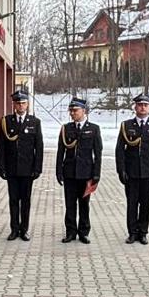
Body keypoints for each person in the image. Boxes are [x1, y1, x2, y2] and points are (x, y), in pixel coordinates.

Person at [115, 94, 149, 245]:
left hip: (148, 173)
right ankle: (132, 233)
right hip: (131, 173)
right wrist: (121, 170)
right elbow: (120, 149)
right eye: (140, 105)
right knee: (132, 204)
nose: (143, 107)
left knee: (145, 205)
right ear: (135, 107)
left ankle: (143, 232)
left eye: (146, 105)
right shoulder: (126, 126)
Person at [0, 90, 44, 241]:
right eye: (18, 103)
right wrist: (1, 167)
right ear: (14, 105)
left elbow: (39, 147)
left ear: (27, 104)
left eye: (23, 103)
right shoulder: (6, 121)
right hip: (11, 169)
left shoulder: (34, 122)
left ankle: (24, 230)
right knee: (13, 200)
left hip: (27, 169)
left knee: (25, 201)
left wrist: (37, 168)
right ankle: (14, 229)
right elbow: (1, 146)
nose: (21, 106)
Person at [56, 97, 102, 244]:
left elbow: (98, 154)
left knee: (84, 204)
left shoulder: (93, 129)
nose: (72, 113)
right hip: (69, 173)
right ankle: (70, 232)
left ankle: (83, 232)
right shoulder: (66, 128)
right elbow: (60, 152)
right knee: (70, 204)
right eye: (71, 110)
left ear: (84, 111)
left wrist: (96, 174)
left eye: (75, 110)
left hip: (86, 173)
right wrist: (58, 171)